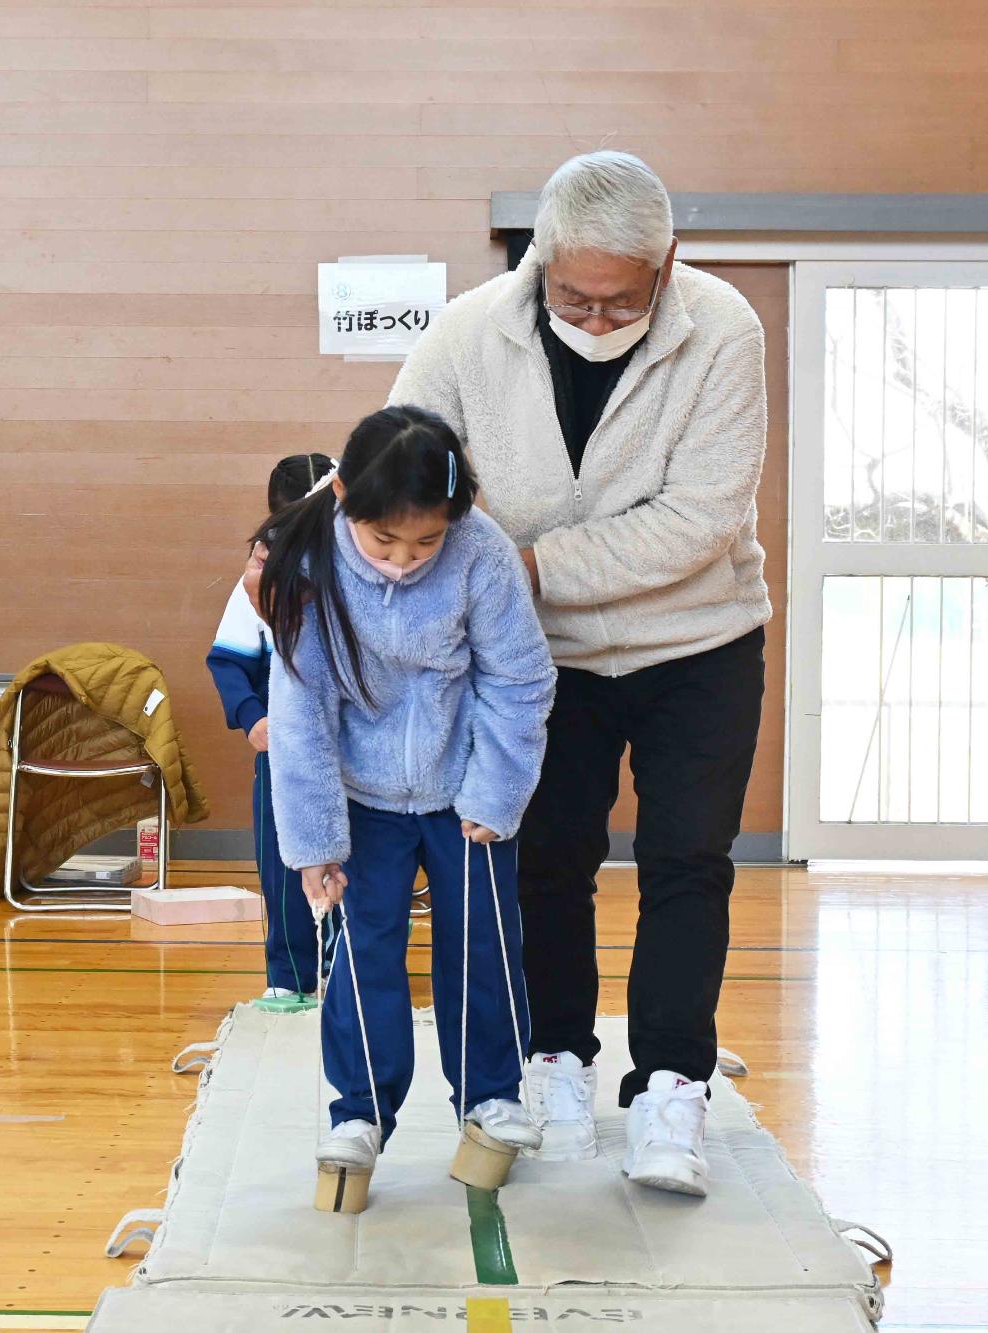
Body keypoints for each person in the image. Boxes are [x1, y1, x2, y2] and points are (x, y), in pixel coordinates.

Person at [388, 151, 770, 1198]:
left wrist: (528, 565)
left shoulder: (723, 328)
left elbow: (697, 520)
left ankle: (669, 1086)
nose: (595, 320)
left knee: (685, 861)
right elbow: (403, 465)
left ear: (667, 266)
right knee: (542, 858)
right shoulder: (466, 331)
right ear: (539, 261)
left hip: (696, 641)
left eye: (620, 302)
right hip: (535, 658)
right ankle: (556, 1057)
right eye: (573, 298)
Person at [260, 405, 556, 1180]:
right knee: (365, 953)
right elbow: (300, 713)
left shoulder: (482, 554)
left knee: (484, 946)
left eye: (425, 541)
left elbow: (519, 680)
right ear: (346, 499)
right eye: (383, 540)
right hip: (362, 798)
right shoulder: (311, 563)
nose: (402, 560)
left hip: (465, 793)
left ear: (454, 518)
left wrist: (494, 796)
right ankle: (359, 1109)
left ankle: (491, 1095)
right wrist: (316, 842)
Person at [206, 450, 337, 1001]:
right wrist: (252, 718)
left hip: (354, 753)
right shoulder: (255, 582)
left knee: (357, 860)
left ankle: (349, 963)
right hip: (283, 752)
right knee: (283, 865)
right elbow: (230, 663)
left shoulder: (367, 568)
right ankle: (289, 976)